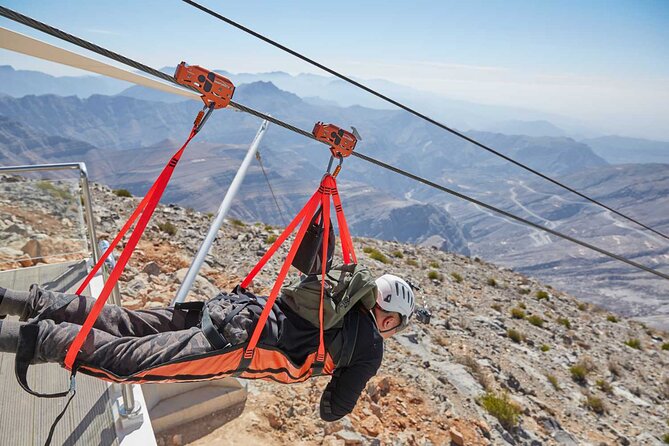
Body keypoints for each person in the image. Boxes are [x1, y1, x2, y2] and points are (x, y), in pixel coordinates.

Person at [0, 272, 414, 421]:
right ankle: (38, 338)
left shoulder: (337, 293)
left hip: (228, 309)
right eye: (393, 326)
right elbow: (332, 410)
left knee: (122, 321)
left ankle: (14, 299)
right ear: (389, 316)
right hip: (236, 343)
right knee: (123, 362)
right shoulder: (371, 346)